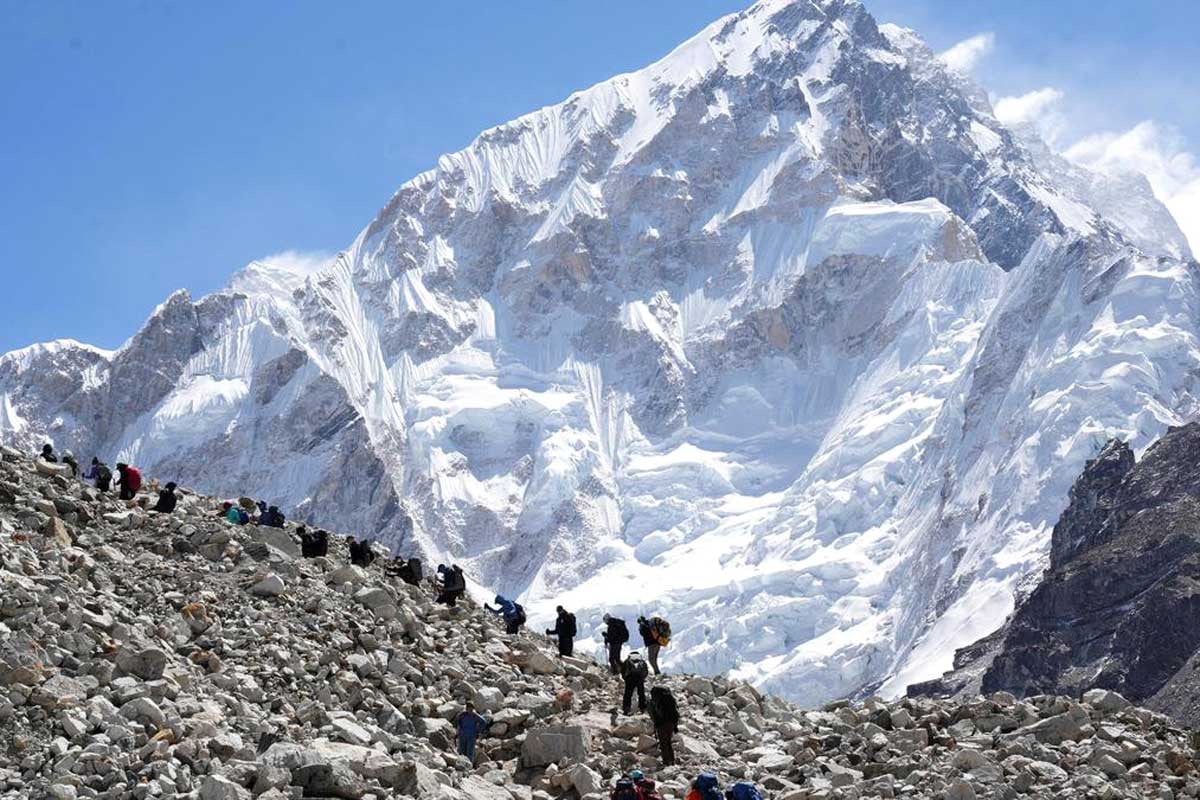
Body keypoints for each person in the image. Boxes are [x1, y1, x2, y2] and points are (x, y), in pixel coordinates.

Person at [647, 686, 680, 766]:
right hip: (671, 723)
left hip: (661, 724)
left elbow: (652, 714)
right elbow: (676, 712)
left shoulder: (654, 701)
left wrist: (656, 723)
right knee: (668, 742)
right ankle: (672, 761)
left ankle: (666, 762)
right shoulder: (670, 699)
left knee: (663, 743)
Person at [620, 651, 649, 715]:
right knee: (641, 694)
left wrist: (626, 679)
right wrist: (642, 678)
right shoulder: (642, 662)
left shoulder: (627, 661)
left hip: (630, 679)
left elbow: (623, 671)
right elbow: (646, 672)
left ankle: (626, 709)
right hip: (640, 679)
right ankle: (642, 708)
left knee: (628, 694)